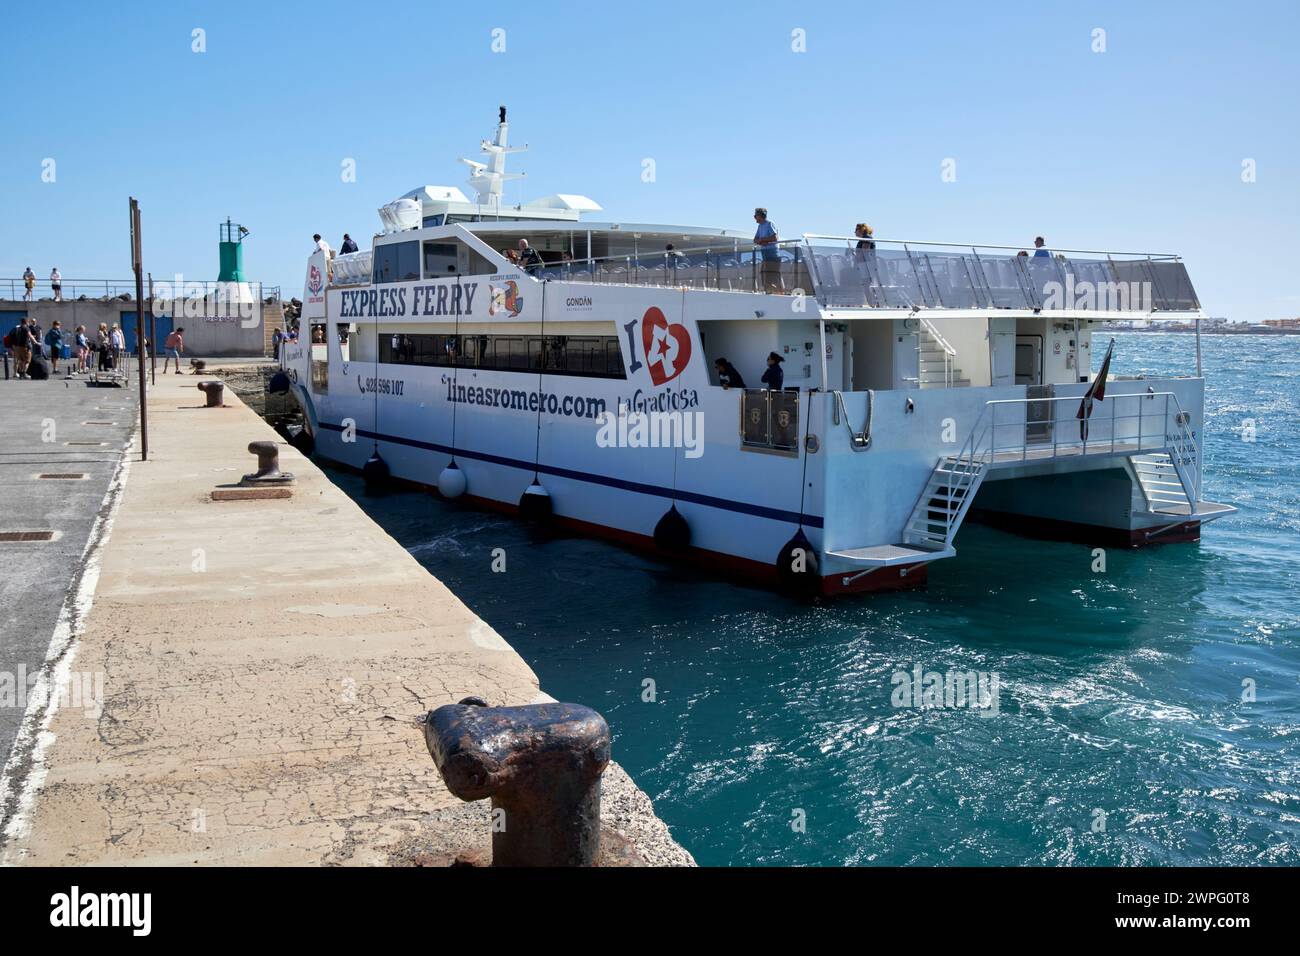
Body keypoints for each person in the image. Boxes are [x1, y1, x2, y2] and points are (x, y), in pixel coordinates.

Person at [753, 208, 782, 293]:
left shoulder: (770, 224)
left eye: (756, 216)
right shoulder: (760, 226)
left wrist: (763, 240)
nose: (754, 218)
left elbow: (775, 237)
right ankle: (768, 291)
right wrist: (761, 241)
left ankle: (776, 293)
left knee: (772, 275)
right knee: (764, 274)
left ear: (761, 216)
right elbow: (755, 239)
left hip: (773, 254)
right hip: (765, 255)